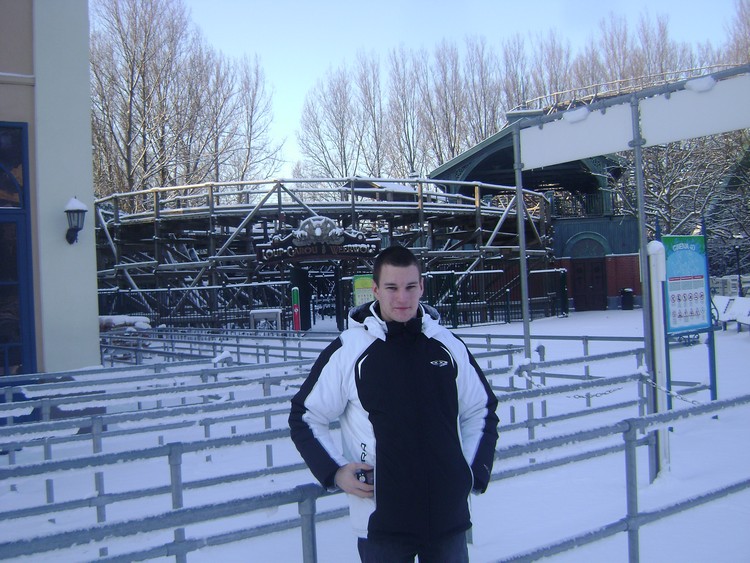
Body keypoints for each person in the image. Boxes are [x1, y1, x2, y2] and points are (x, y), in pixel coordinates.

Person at [288, 245, 499, 562]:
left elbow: (481, 412)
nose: (402, 298)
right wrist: (333, 471)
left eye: (410, 287)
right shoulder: (350, 350)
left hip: (448, 522)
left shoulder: (447, 346)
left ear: (422, 287)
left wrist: (471, 474)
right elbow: (304, 417)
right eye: (392, 287)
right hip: (382, 525)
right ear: (375, 290)